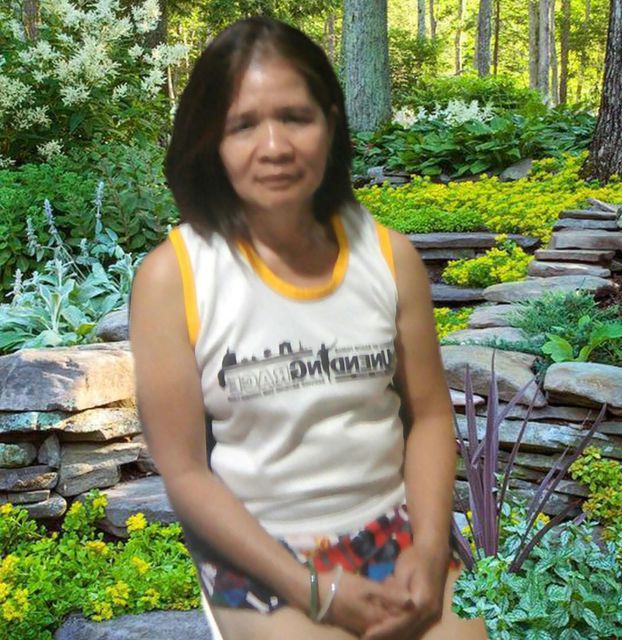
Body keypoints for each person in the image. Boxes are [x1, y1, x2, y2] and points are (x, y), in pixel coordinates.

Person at [129, 16, 488, 640]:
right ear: (210, 141)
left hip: (391, 530)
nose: (275, 146)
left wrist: (430, 551)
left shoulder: (390, 258)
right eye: (243, 125)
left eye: (295, 117)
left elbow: (431, 416)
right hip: (259, 550)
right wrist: (312, 589)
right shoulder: (173, 278)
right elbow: (184, 471)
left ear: (330, 123)